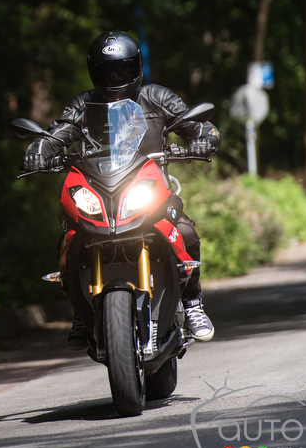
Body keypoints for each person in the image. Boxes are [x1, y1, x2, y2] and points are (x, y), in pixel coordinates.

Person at [22, 31, 221, 350]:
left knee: (184, 231)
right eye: (107, 71)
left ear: (136, 68)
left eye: (122, 70)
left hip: (149, 189)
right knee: (70, 235)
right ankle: (80, 309)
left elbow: (196, 125)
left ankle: (193, 302)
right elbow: (58, 131)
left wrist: (203, 137)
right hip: (100, 190)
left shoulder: (157, 97)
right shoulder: (84, 104)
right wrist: (39, 149)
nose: (115, 78)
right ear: (94, 71)